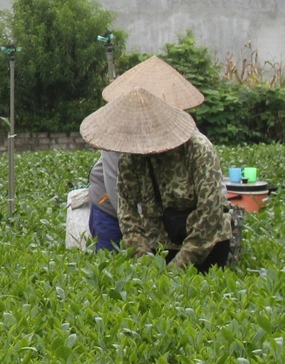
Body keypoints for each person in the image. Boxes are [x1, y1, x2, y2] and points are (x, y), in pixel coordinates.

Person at [83, 88, 234, 271]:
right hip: (160, 243)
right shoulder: (130, 158)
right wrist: (145, 262)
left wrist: (177, 267)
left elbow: (211, 214)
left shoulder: (198, 149)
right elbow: (127, 214)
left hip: (206, 244)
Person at [87, 56, 205, 254]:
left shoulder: (180, 126)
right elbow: (117, 188)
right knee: (115, 268)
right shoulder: (116, 130)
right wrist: (141, 232)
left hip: (158, 210)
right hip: (111, 209)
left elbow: (202, 158)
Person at [86, 150, 124, 252]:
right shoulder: (114, 140)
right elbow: (113, 181)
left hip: (138, 205)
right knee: (110, 260)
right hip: (108, 206)